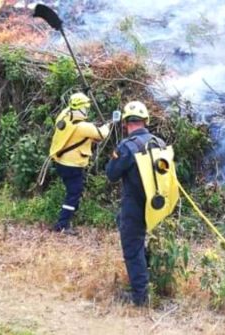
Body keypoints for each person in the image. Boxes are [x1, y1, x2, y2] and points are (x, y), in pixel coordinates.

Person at [106, 100, 163, 306]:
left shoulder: (127, 147)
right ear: (145, 121)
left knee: (132, 248)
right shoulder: (159, 142)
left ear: (125, 123)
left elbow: (111, 174)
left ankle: (140, 297)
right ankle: (150, 275)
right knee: (135, 238)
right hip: (157, 206)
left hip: (135, 206)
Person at [48, 92, 110, 236]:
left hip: (60, 161)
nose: (87, 110)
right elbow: (102, 134)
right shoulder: (83, 127)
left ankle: (69, 217)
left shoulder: (64, 115)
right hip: (72, 165)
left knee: (73, 191)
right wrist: (108, 125)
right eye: (85, 108)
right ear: (80, 109)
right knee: (73, 193)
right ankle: (63, 224)